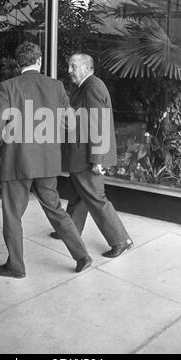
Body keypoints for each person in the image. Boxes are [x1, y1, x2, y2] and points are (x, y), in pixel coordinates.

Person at [0, 42, 92, 278]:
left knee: (12, 214)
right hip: (47, 163)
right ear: (39, 61)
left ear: (18, 63)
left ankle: (16, 267)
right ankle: (82, 255)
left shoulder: (7, 87)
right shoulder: (56, 86)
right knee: (56, 210)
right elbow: (70, 124)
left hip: (17, 163)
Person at [50, 53, 133, 258]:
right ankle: (70, 231)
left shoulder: (92, 87)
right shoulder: (86, 86)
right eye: (69, 66)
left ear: (87, 68)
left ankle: (121, 240)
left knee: (96, 198)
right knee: (80, 195)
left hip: (86, 157)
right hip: (81, 155)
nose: (69, 70)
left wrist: (97, 160)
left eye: (73, 66)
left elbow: (98, 125)